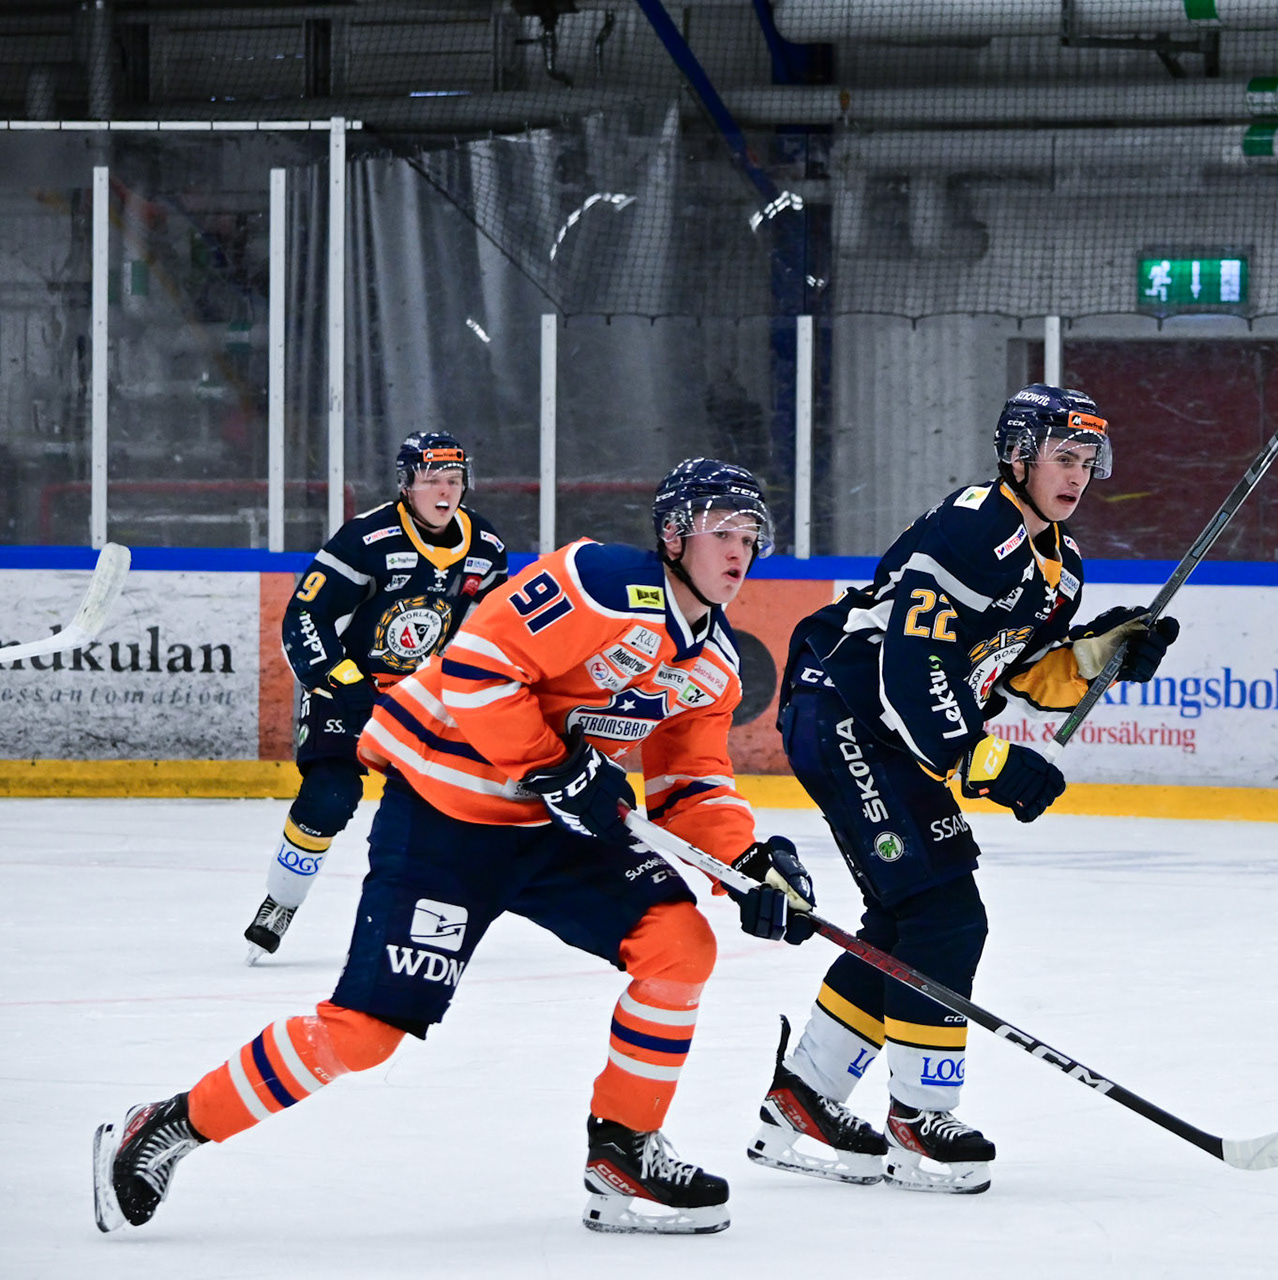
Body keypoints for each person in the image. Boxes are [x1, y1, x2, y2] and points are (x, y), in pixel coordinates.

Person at [96, 459, 815, 1237]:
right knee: (364, 1034)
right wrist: (555, 766)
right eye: (720, 530)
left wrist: (747, 864)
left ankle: (624, 1150)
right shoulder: (599, 582)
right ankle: (167, 1125)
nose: (738, 550)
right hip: (446, 818)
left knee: (679, 946)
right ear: (674, 536)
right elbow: (477, 667)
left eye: (750, 535)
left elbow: (689, 785)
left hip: (553, 829)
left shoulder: (713, 666)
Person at [747, 385, 1180, 1193]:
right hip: (848, 711)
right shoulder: (975, 524)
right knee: (946, 917)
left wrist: (1101, 654)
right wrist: (979, 759)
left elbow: (1019, 673)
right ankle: (919, 1120)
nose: (1077, 475)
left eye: (1087, 461)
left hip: (889, 731)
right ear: (1017, 455)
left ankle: (804, 1098)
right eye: (1062, 457)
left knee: (907, 919)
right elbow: (913, 663)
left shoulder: (1063, 566)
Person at [244, 432, 510, 961]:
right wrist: (344, 684)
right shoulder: (367, 539)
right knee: (330, 797)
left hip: (425, 697)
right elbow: (305, 615)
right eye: (432, 480)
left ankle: (427, 914)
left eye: (453, 481)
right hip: (350, 685)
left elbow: (493, 627)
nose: (444, 492)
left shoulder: (485, 547)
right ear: (406, 484)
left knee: (444, 808)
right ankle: (281, 901)